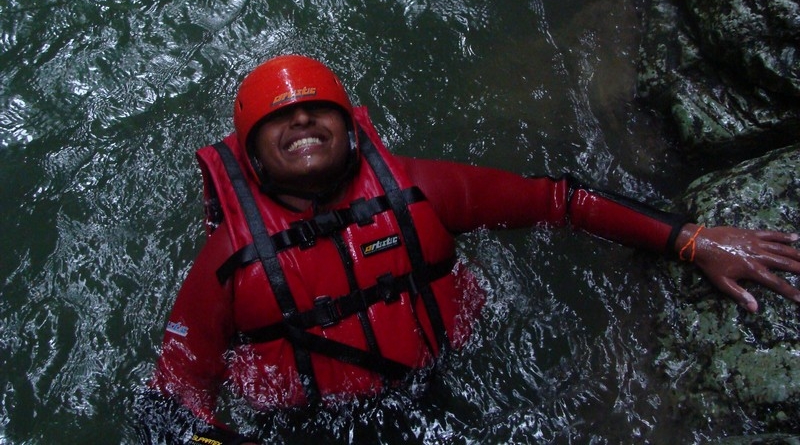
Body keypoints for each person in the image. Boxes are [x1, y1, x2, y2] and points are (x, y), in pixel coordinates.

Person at [139, 54, 800, 445]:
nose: (302, 120)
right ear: (252, 156)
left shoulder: (421, 191)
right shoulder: (228, 260)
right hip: (310, 428)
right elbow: (173, 392)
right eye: (279, 119)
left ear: (351, 129)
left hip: (451, 389)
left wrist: (691, 240)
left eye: (318, 110)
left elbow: (559, 201)